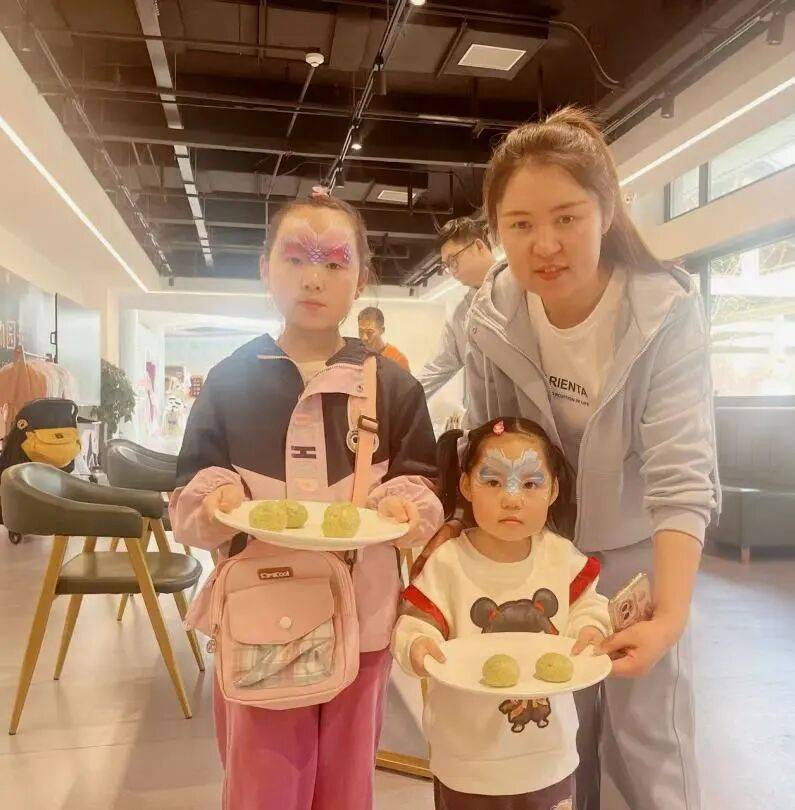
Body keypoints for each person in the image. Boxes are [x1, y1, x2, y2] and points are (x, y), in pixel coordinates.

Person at [413, 107, 719, 810]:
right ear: (495, 230)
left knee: (647, 745)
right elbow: (488, 447)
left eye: (567, 218)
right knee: (547, 735)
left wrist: (670, 614)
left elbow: (680, 476)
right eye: (519, 224)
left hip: (634, 556)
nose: (544, 244)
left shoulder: (662, 313)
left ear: (605, 211)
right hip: (534, 556)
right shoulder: (488, 315)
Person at [169, 194, 444, 810]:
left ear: (361, 279)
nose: (314, 278)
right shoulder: (230, 380)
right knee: (264, 781)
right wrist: (214, 501)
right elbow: (189, 493)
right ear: (264, 268)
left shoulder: (394, 386)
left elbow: (423, 482)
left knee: (348, 782)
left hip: (364, 614)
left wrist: (407, 509)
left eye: (335, 262)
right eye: (295, 258)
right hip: (259, 617)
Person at [392, 417, 611, 809]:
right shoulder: (448, 562)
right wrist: (417, 645)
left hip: (547, 754)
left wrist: (590, 629)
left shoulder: (560, 557)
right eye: (493, 481)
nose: (512, 499)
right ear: (466, 486)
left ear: (553, 490)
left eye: (530, 484)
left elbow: (589, 606)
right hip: (467, 757)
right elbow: (415, 622)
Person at [417, 217, 498, 399]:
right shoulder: (459, 313)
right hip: (482, 414)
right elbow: (437, 368)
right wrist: (400, 400)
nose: (451, 270)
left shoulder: (523, 289)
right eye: (446, 265)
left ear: (478, 246)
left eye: (453, 259)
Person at [358, 305, 411, 371]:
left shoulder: (397, 359)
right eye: (361, 332)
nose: (364, 337)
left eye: (369, 332)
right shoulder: (356, 356)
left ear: (382, 330)